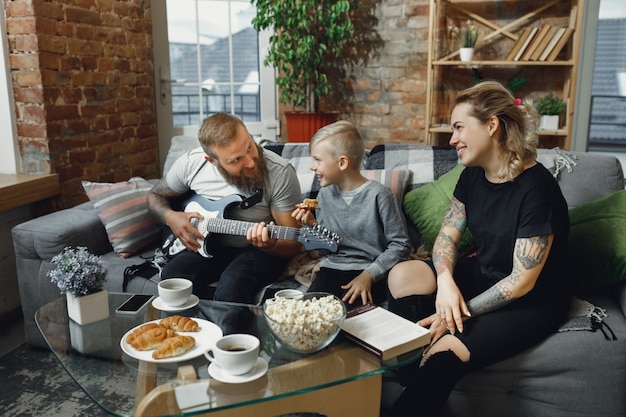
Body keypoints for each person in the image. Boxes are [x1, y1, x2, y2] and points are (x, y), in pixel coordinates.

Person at [386, 81, 571, 416]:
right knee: (402, 274)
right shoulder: (472, 174)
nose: (452, 139)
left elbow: (521, 282)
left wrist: (454, 314)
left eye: (459, 128)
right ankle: (413, 379)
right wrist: (445, 283)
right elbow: (447, 237)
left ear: (491, 125)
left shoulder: (537, 188)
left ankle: (423, 379)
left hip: (532, 300)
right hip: (485, 274)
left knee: (444, 352)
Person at [147, 112, 304, 305]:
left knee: (233, 286)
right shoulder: (191, 164)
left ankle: (230, 335)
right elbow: (154, 196)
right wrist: (171, 217)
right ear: (211, 161)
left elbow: (295, 242)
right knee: (174, 278)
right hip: (204, 245)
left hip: (257, 251)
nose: (250, 161)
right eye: (236, 160)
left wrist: (272, 245)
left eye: (250, 147)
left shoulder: (279, 173)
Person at [292, 120, 412, 307]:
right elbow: (327, 249)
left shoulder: (380, 195)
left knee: (350, 321)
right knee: (308, 314)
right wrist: (312, 225)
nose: (312, 166)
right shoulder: (324, 194)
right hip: (331, 269)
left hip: (370, 271)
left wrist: (368, 276)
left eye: (317, 160)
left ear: (342, 162)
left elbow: (401, 245)